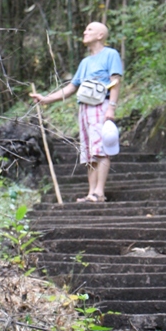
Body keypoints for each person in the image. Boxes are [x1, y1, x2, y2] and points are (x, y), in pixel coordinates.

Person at [30, 22, 123, 202]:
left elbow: (115, 82)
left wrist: (111, 107)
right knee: (88, 151)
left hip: (100, 105)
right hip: (85, 108)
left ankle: (99, 192)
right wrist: (46, 99)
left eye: (89, 30)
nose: (84, 32)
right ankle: (91, 192)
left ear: (100, 35)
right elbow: (72, 87)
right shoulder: (85, 62)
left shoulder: (110, 54)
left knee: (101, 149)